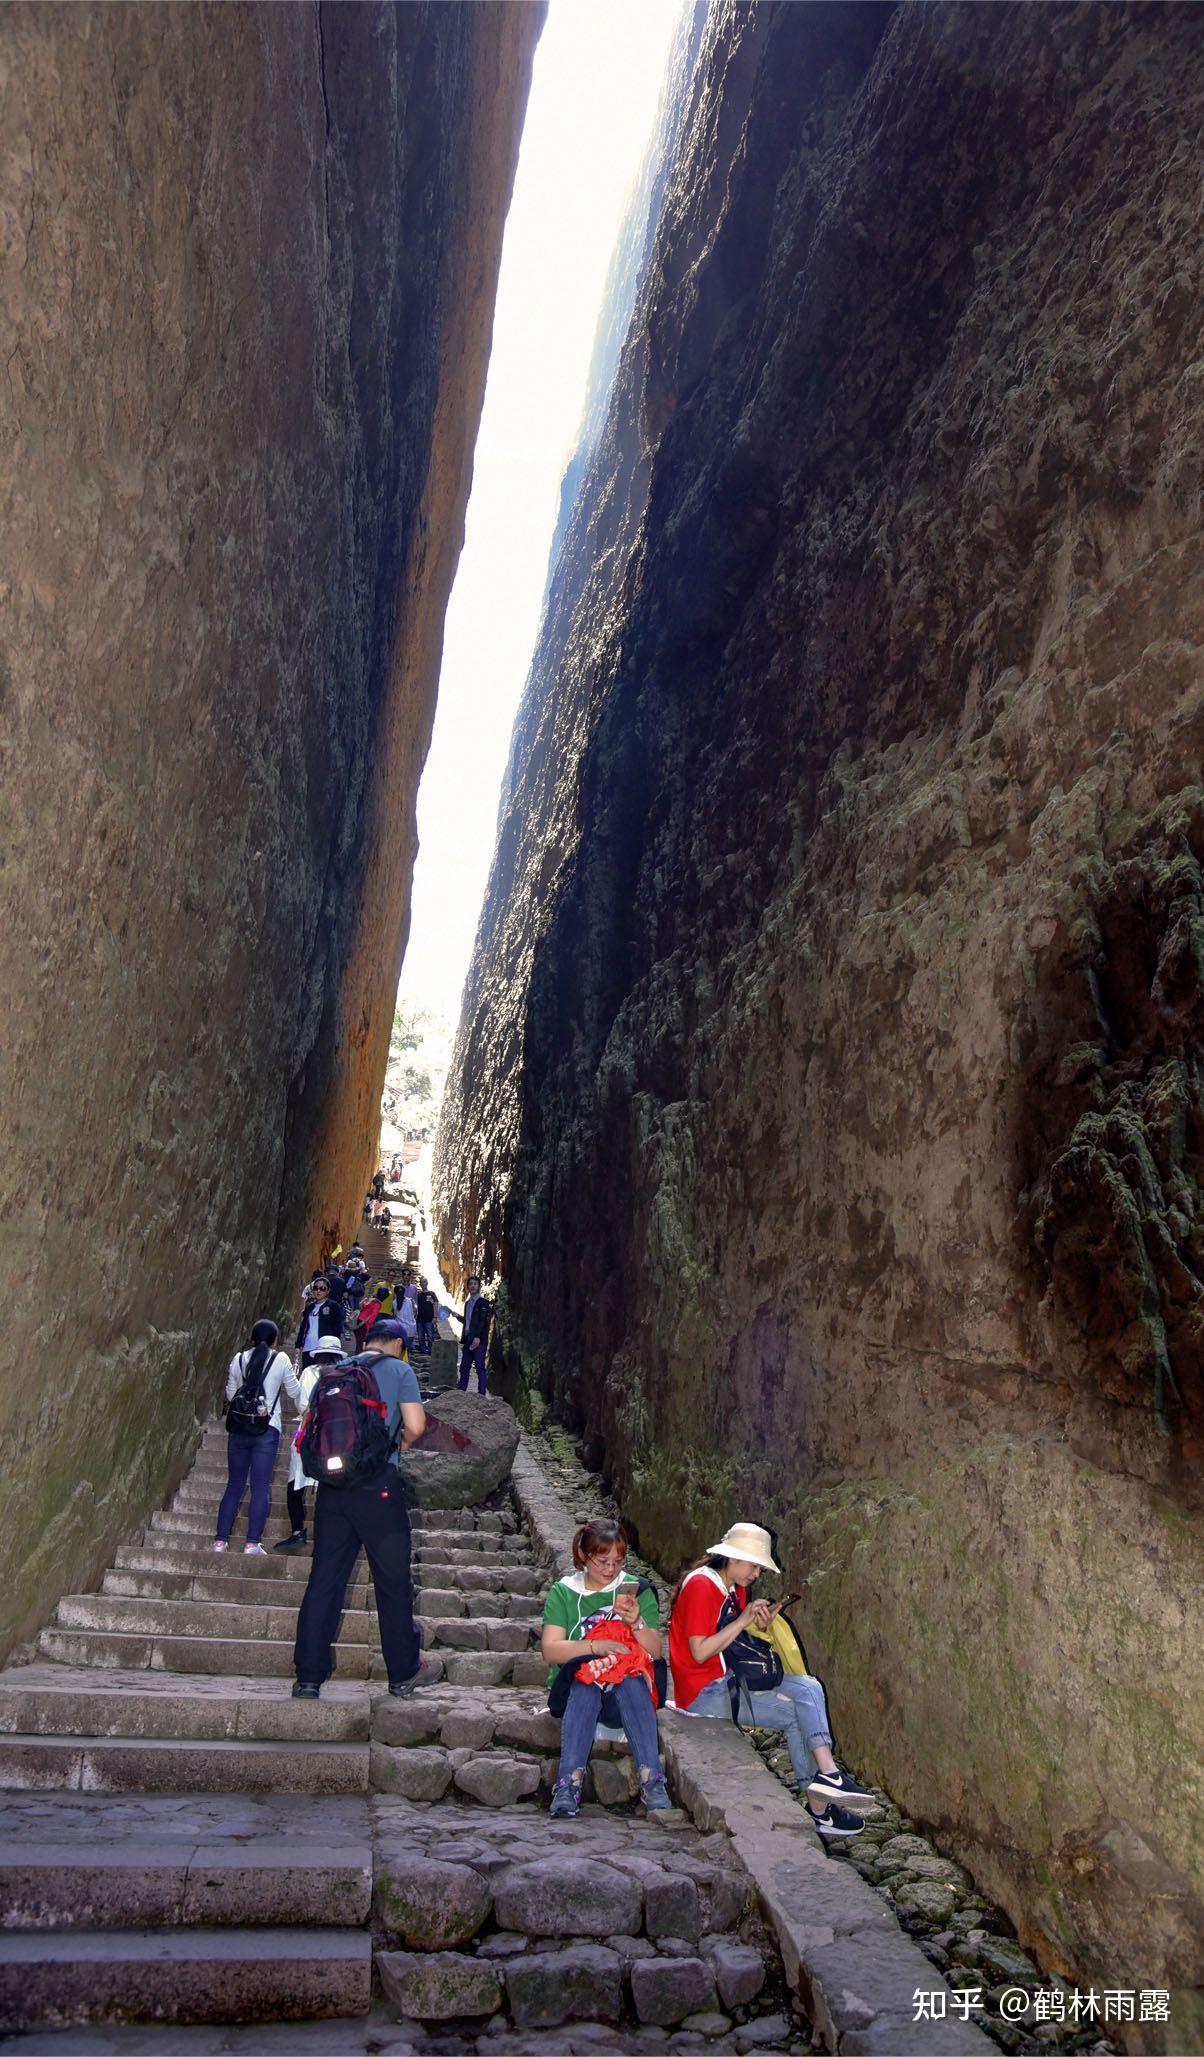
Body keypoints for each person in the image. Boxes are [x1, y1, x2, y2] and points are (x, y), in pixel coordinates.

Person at [668, 1521, 873, 1839]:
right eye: (754, 1566)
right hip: (703, 1692)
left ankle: (827, 1783)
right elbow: (699, 1652)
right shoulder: (702, 1586)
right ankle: (821, 1802)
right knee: (796, 1713)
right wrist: (743, 1619)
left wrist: (760, 1625)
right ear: (733, 1558)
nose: (756, 1575)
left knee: (809, 1687)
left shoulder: (733, 1586)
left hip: (731, 1678)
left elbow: (735, 1642)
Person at [292, 1317, 444, 1700]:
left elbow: (312, 1426)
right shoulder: (400, 1370)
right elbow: (415, 1424)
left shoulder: (336, 1370)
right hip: (379, 1489)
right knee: (392, 1583)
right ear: (396, 1342)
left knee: (325, 1579)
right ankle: (403, 1672)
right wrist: (401, 1446)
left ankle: (309, 1677)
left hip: (333, 1490)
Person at [541, 1518, 670, 1818]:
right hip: (575, 1695)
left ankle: (653, 1781)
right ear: (584, 1556)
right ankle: (568, 1783)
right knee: (585, 1682)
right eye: (602, 1561)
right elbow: (550, 1649)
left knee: (630, 1680)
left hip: (624, 1697)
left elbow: (654, 1651)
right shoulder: (563, 1593)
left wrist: (636, 1621)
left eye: (617, 1561)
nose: (610, 1570)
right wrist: (594, 1648)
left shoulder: (638, 1591)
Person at [214, 1321, 301, 1556]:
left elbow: (232, 1394)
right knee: (260, 1486)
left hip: (239, 1429)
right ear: (275, 1340)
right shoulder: (280, 1359)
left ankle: (220, 1541)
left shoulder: (239, 1358)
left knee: (234, 1485)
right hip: (267, 1429)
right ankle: (252, 1543)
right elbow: (295, 1392)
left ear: (252, 1339)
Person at [274, 1332, 344, 1551]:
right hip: (334, 1436)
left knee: (295, 1484)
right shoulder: (345, 1375)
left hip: (307, 1432)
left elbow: (302, 1403)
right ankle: (326, 1536)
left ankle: (297, 1531)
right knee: (328, 1486)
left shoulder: (308, 1373)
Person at [456, 1276, 490, 1393]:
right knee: (464, 1367)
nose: (472, 1286)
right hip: (468, 1339)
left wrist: (478, 1337)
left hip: (479, 1341)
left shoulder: (483, 1303)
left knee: (480, 1367)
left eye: (475, 1284)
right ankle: (461, 1391)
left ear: (479, 1286)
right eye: (470, 1284)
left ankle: (481, 1394)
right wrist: (457, 1317)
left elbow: (483, 1321)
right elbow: (468, 1321)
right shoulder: (468, 1304)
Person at [414, 1277, 437, 1357]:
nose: (422, 1283)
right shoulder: (419, 1294)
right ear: (420, 1284)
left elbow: (435, 1304)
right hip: (420, 1319)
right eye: (421, 1282)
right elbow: (417, 1305)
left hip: (429, 1319)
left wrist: (435, 1316)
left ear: (427, 1283)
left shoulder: (432, 1293)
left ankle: (431, 1350)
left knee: (430, 1336)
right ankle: (423, 1350)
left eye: (424, 1282)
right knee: (420, 1336)